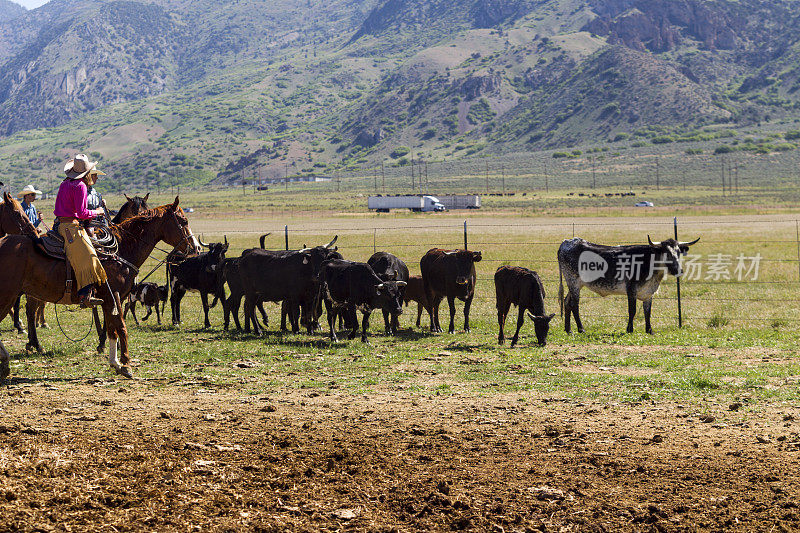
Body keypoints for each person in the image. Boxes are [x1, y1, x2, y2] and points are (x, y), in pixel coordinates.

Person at [53, 154, 108, 307]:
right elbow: (82, 213)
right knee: (90, 258)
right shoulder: (81, 186)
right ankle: (84, 296)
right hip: (71, 227)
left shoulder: (65, 183)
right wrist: (98, 211)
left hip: (60, 225)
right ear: (87, 173)